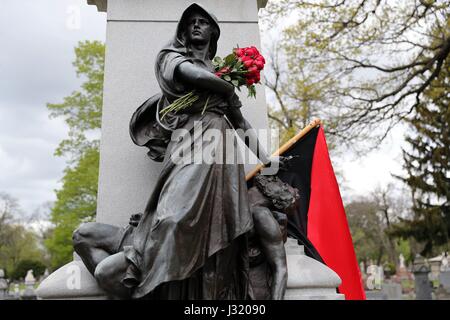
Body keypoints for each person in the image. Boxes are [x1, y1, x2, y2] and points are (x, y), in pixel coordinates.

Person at [74, 3, 278, 300]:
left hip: (219, 156)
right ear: (183, 30)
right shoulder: (172, 57)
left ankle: (203, 292)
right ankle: (147, 284)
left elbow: (241, 123)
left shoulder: (221, 73)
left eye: (203, 22)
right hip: (186, 146)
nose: (196, 26)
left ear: (213, 31)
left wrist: (267, 161)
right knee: (171, 218)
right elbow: (188, 74)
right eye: (191, 22)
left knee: (216, 227)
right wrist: (226, 87)